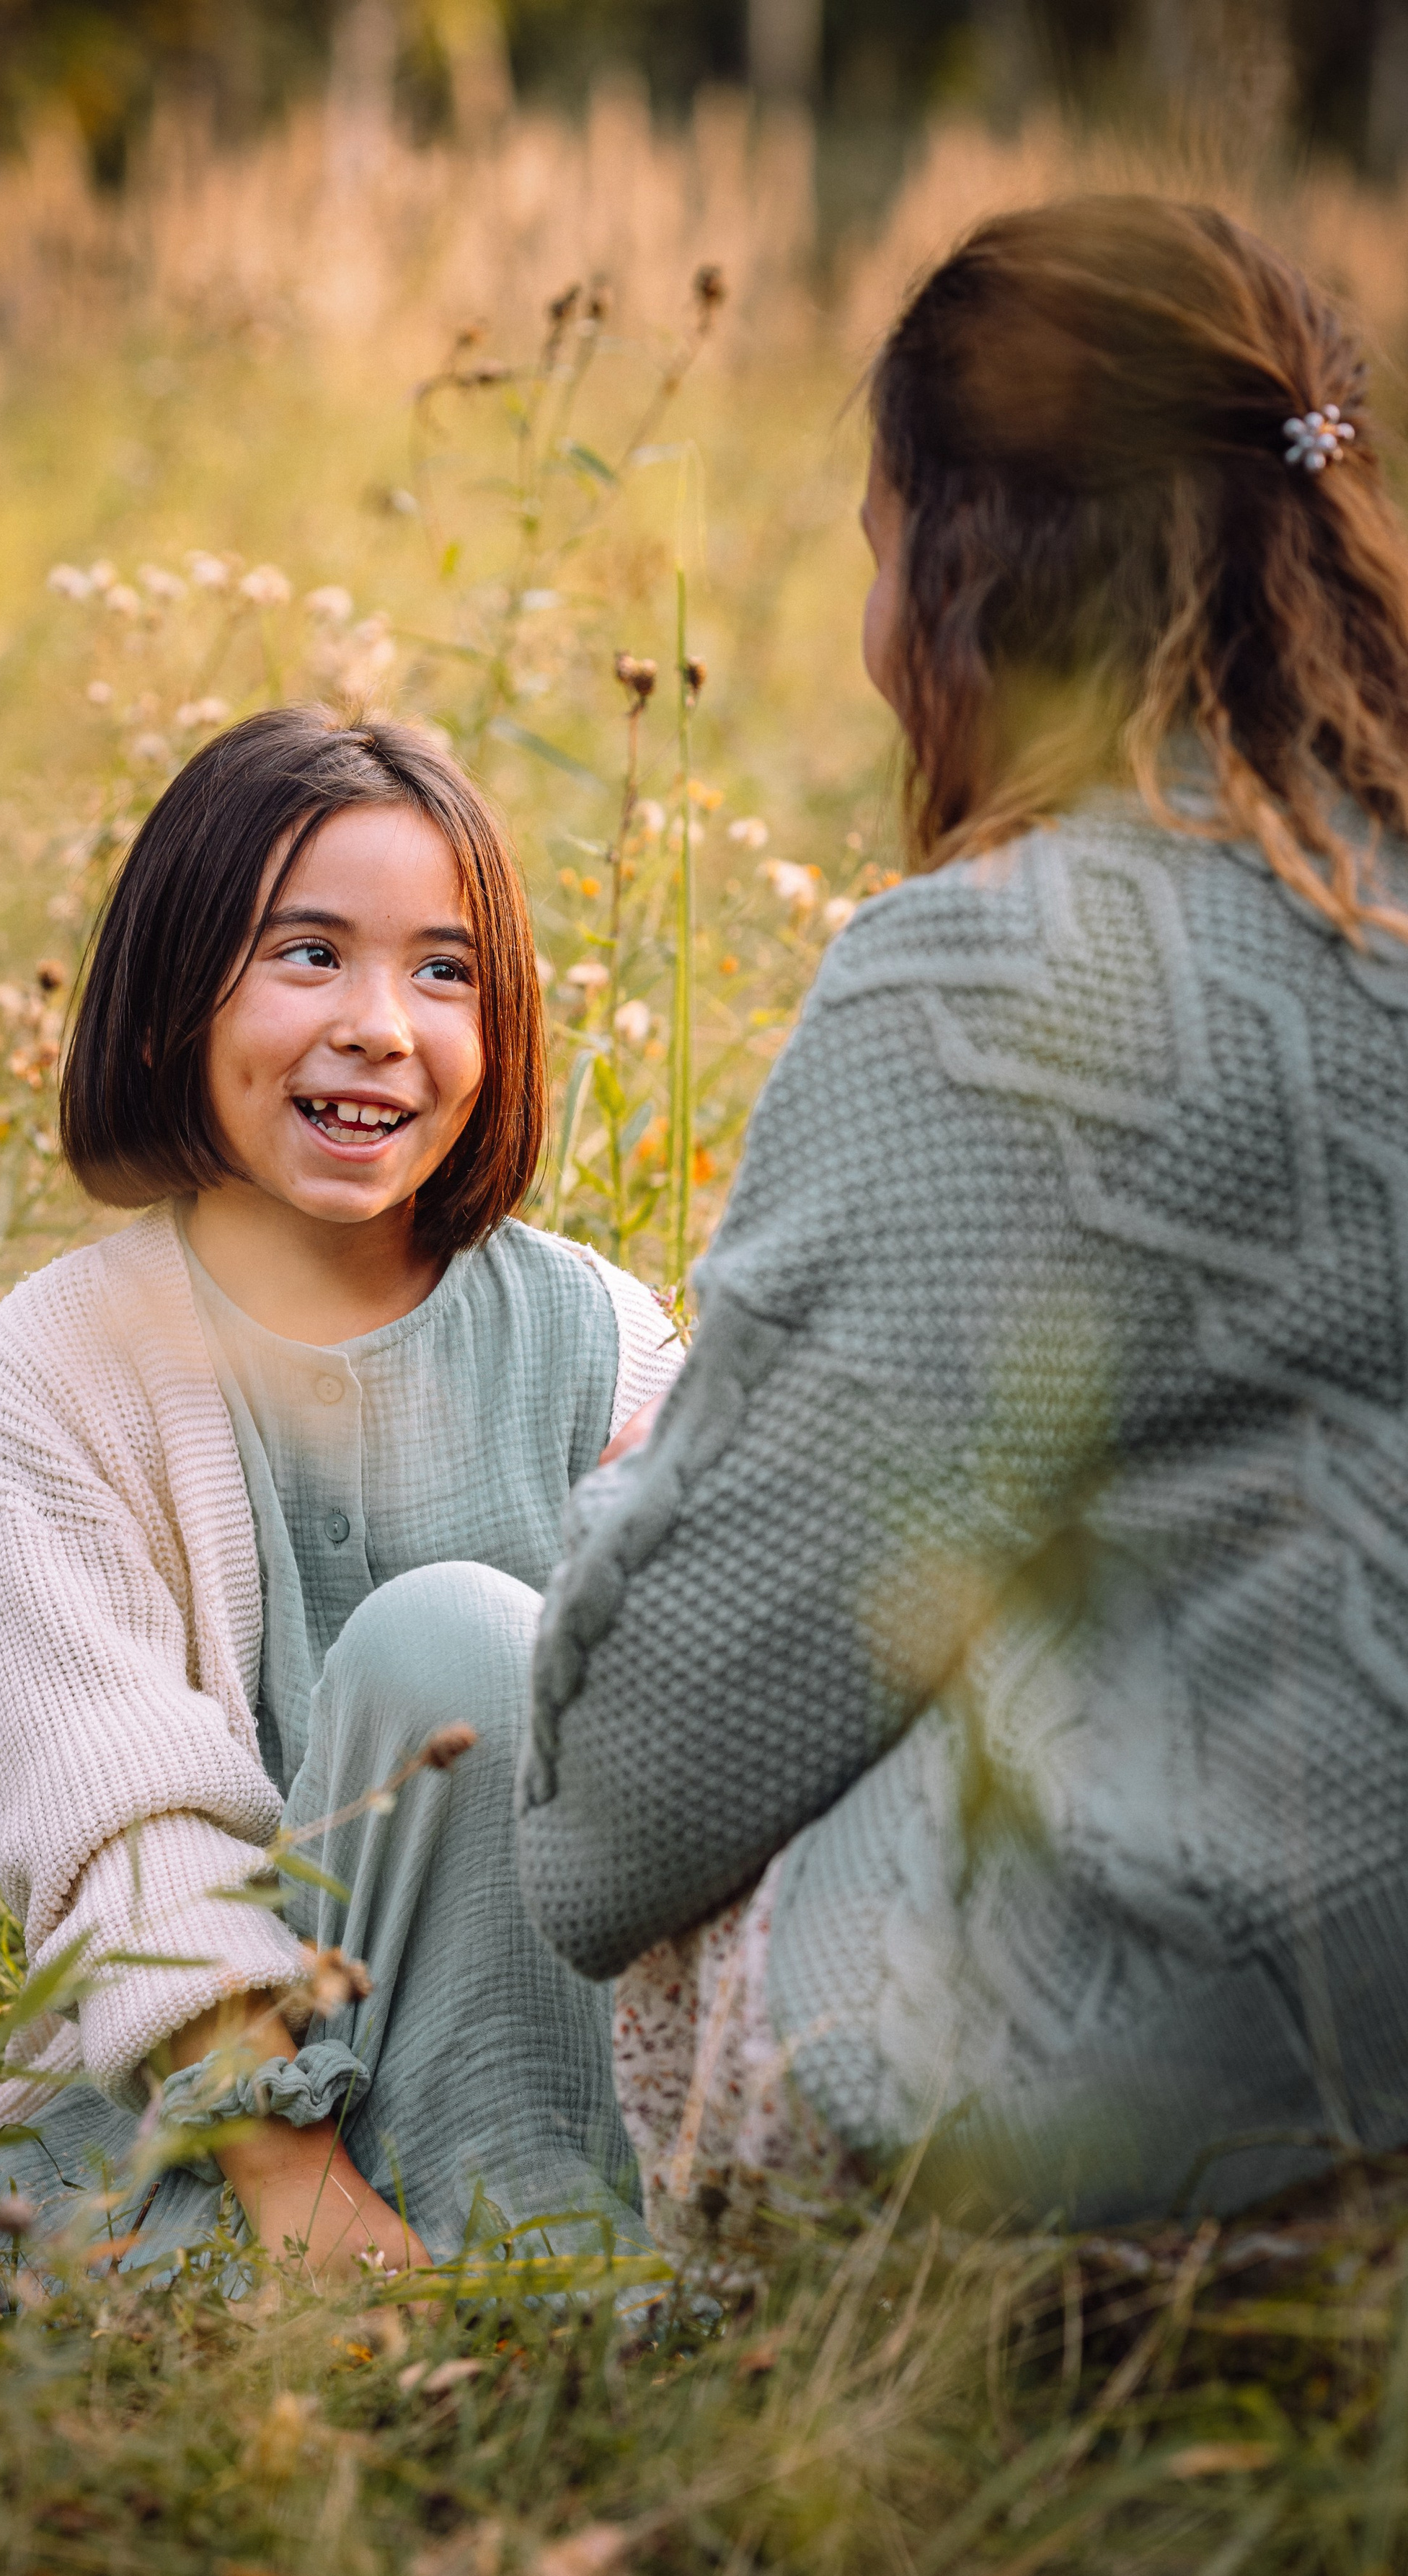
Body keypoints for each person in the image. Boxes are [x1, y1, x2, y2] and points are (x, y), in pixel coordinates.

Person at [517, 197, 1408, 2242]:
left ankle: (559, 2334)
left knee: (529, 1682)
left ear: (966, 559)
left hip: (1155, 2151)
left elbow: (622, 1822)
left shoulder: (1004, 982)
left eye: (873, 541)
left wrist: (640, 1508)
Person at [0, 708, 681, 2283]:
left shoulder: (602, 1337)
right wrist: (306, 2203)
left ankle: (551, 2247)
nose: (378, 1024)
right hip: (201, 2143)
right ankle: (428, 2264)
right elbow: (122, 1828)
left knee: (473, 1647)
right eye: (306, 954)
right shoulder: (53, 1370)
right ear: (170, 1001)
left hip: (570, 2085)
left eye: (440, 970)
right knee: (455, 1643)